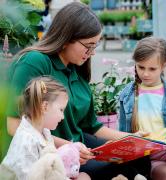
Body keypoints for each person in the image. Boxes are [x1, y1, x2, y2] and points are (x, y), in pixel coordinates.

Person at [7, 2, 151, 179]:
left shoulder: (77, 69)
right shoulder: (35, 62)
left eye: (95, 46)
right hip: (47, 155)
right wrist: (69, 148)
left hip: (79, 147)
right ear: (67, 38)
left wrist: (132, 138)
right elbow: (14, 126)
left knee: (141, 156)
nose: (92, 53)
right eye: (88, 45)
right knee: (116, 169)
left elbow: (92, 126)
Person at [1, 76, 91, 180]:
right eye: (61, 110)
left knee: (84, 176)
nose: (62, 117)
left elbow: (51, 168)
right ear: (45, 107)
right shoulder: (26, 141)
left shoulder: (44, 133)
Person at [119, 36, 166, 180]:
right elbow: (122, 134)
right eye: (141, 67)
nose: (145, 74)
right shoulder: (127, 95)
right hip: (149, 158)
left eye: (152, 69)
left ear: (164, 65)